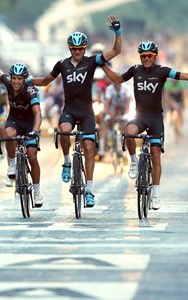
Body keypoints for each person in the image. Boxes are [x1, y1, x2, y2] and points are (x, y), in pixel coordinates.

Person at [101, 40, 188, 210]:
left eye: (149, 56)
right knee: (129, 132)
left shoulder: (162, 71)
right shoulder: (135, 70)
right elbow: (117, 78)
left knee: (155, 154)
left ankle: (155, 194)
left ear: (155, 57)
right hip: (140, 116)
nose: (146, 58)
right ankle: (132, 161)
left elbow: (187, 76)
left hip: (155, 118)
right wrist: (102, 65)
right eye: (143, 56)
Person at [30, 15, 122, 208]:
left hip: (87, 111)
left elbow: (115, 51)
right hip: (70, 109)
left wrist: (117, 32)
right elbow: (46, 81)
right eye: (74, 49)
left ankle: (89, 190)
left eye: (81, 49)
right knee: (63, 130)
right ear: (69, 49)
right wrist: (26, 81)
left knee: (89, 148)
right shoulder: (62, 64)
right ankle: (65, 161)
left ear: (85, 48)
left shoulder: (91, 61)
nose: (78, 52)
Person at [0, 61, 44, 205]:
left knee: (32, 155)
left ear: (24, 79)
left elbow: (37, 113)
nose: (16, 82)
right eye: (14, 78)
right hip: (14, 120)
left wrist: (35, 131)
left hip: (30, 122)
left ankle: (37, 191)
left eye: (20, 79)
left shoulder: (30, 90)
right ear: (10, 78)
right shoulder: (7, 82)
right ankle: (12, 164)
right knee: (8, 134)